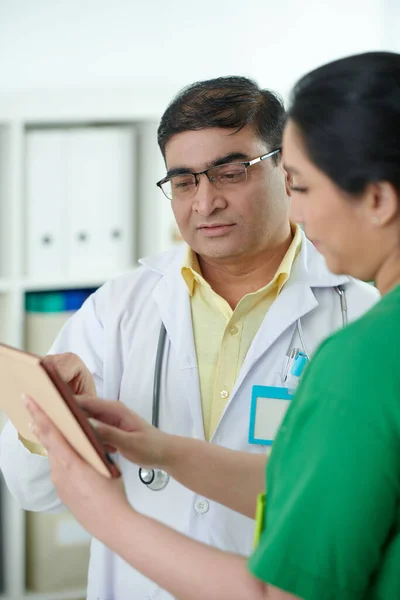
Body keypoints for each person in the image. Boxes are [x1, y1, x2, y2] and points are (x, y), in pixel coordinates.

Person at [1, 75, 378, 600]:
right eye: (184, 182)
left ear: (285, 171)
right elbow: (32, 490)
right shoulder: (117, 310)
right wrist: (49, 421)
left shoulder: (358, 314)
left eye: (229, 173)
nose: (205, 203)